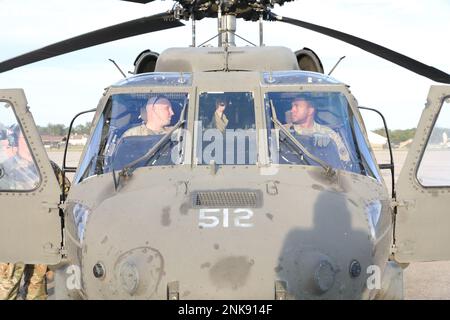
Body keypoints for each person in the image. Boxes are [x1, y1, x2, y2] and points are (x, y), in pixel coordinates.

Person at [0, 126, 71, 300]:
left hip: (40, 237)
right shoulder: (5, 169)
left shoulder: (49, 169)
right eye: (25, 139)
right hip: (12, 239)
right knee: (7, 287)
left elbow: (67, 196)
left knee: (36, 287)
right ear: (16, 142)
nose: (30, 144)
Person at [285, 97, 350, 163]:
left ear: (310, 110)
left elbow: (344, 162)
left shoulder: (329, 134)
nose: (292, 110)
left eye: (297, 106)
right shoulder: (283, 131)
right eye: (292, 106)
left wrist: (328, 147)